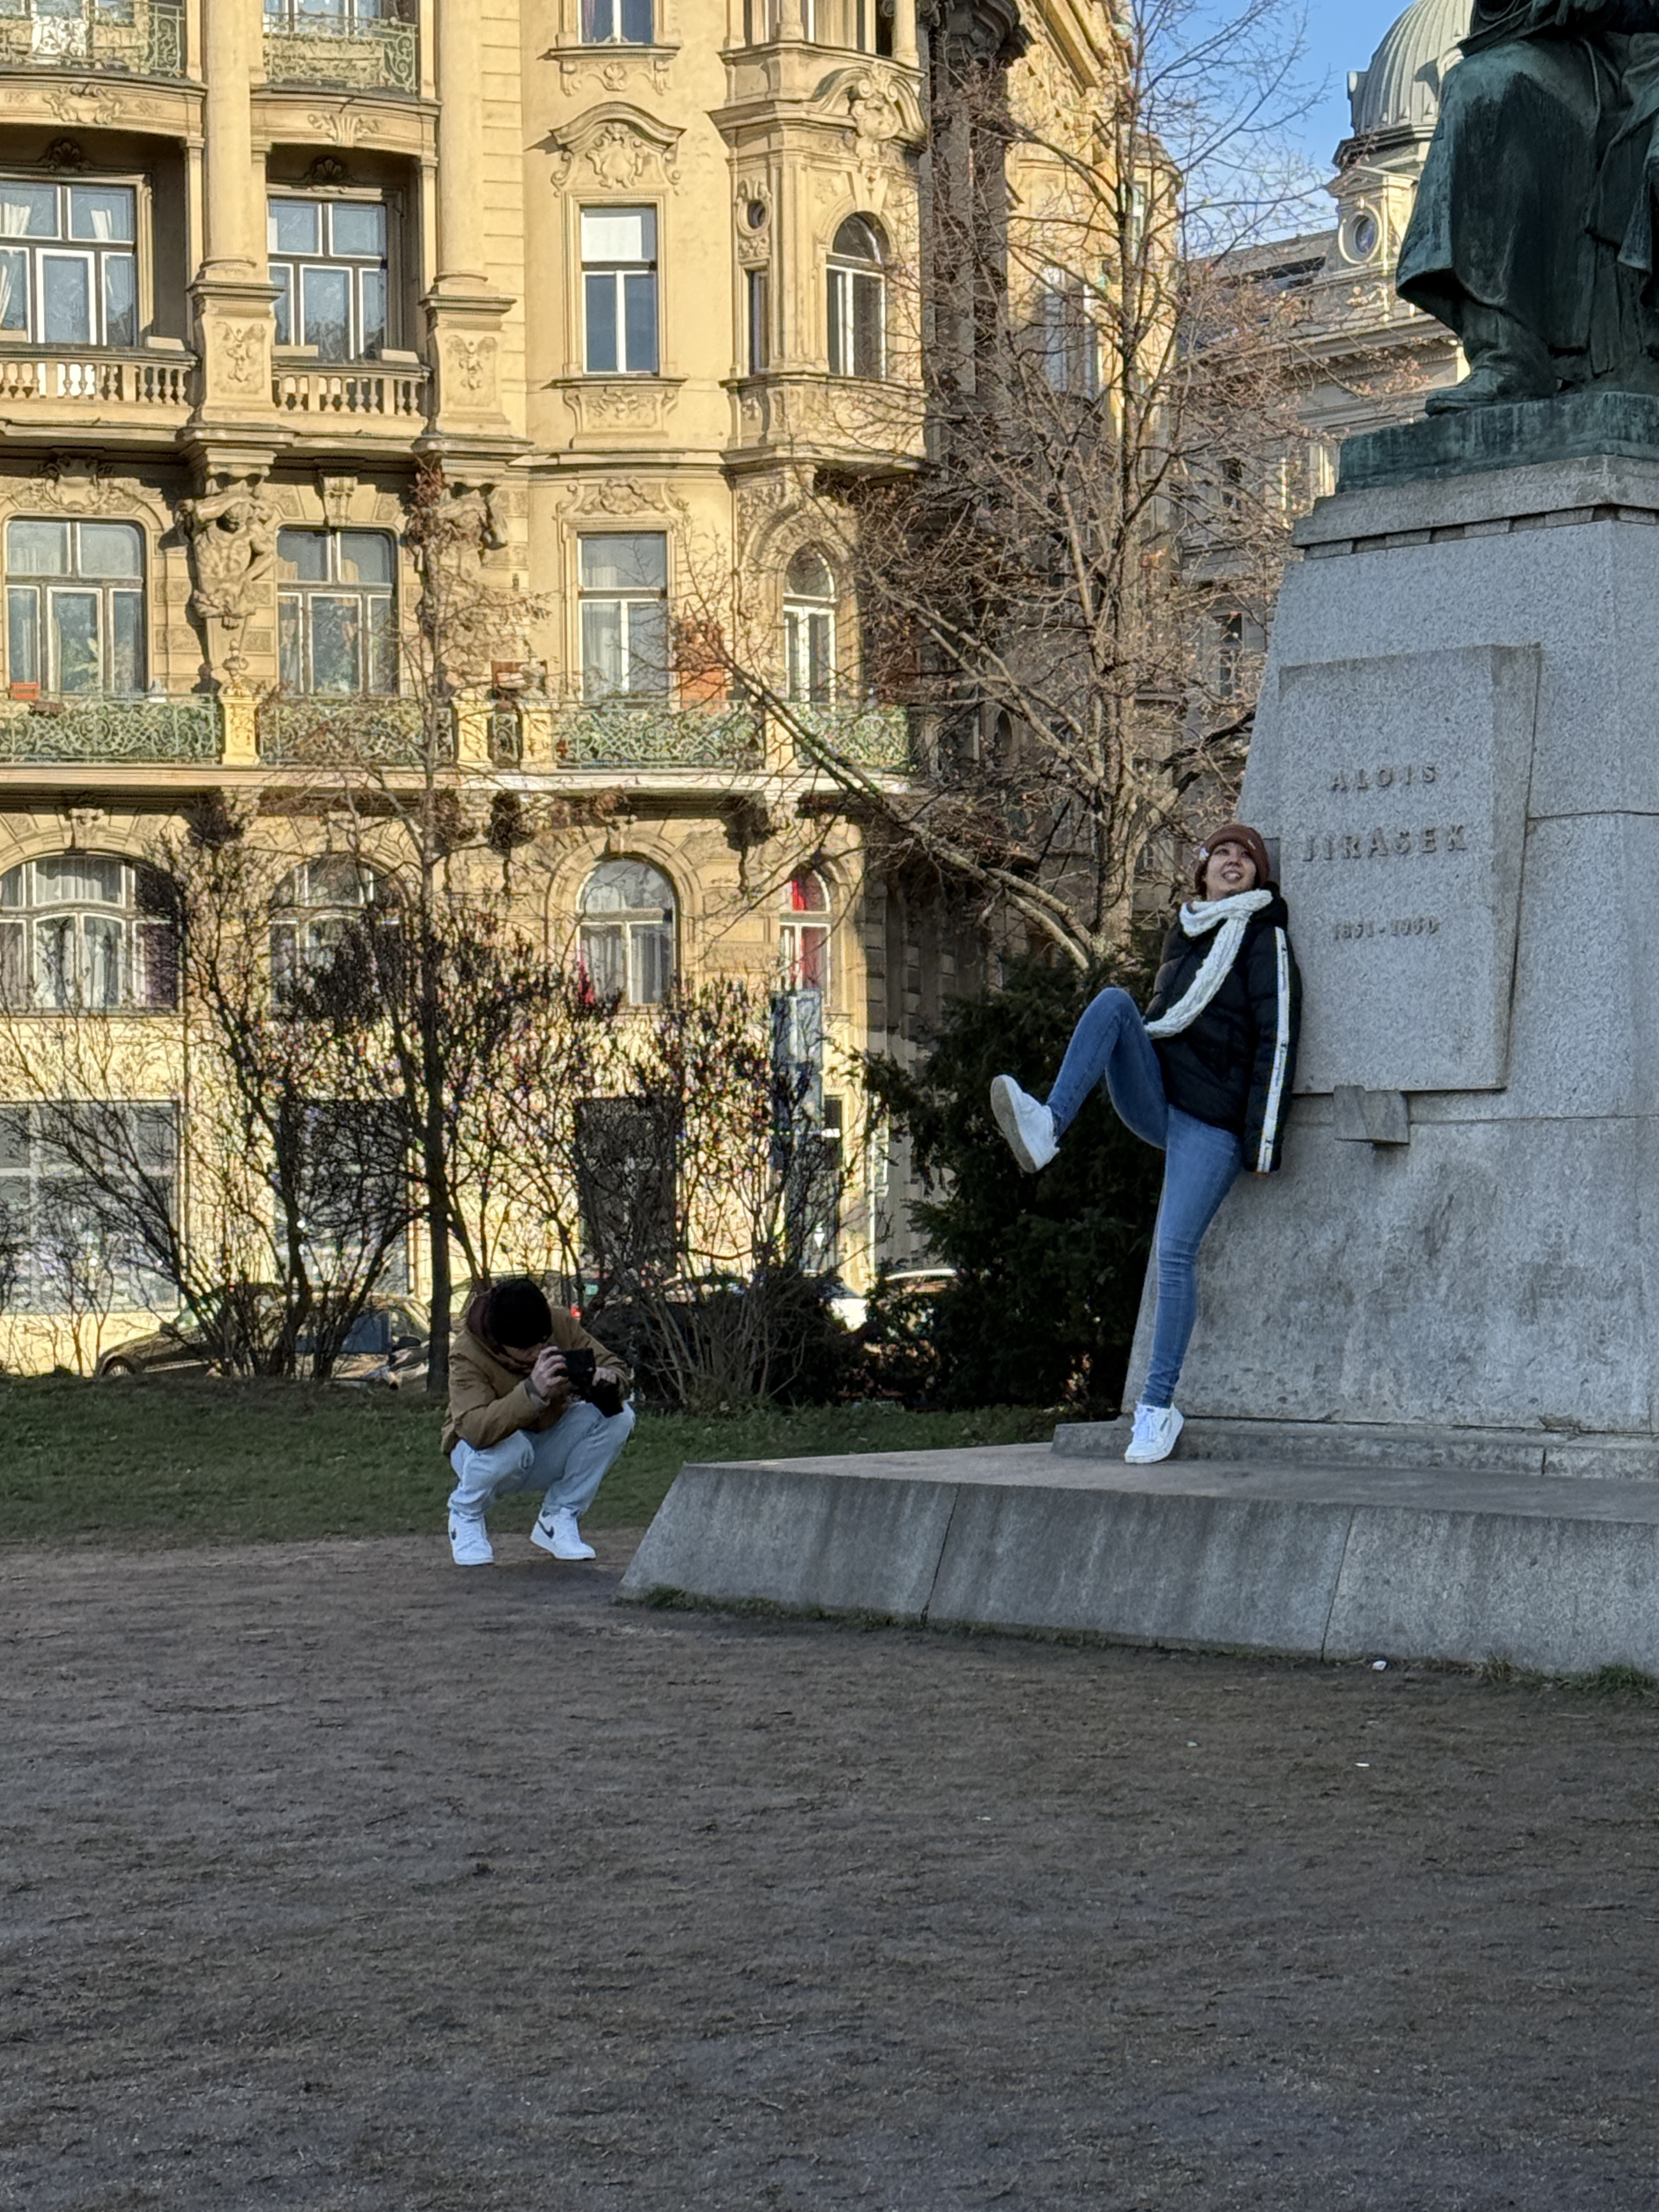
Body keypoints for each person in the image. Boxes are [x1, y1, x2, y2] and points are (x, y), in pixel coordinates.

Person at [989, 825, 1300, 1467]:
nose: (1234, 862)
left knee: (1174, 1257)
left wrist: (1261, 1145)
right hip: (1160, 1099)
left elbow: (1278, 1038)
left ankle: (1157, 1409)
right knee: (1111, 1002)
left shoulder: (1265, 939)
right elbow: (1162, 1022)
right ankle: (1048, 1125)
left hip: (1211, 1124)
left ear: (1259, 877)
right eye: (1223, 854)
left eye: (1247, 858)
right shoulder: (1182, 934)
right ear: (1203, 871)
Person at [442, 1276, 636, 1567]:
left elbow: (615, 1366)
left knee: (619, 1417)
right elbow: (474, 1429)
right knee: (513, 1447)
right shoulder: (467, 1352)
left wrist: (609, 1380)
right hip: (479, 1453)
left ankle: (559, 1516)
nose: (537, 1355)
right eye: (527, 1351)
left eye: (542, 1344)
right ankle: (465, 1515)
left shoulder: (559, 1323)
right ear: (500, 1343)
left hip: (542, 1440)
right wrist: (532, 1392)